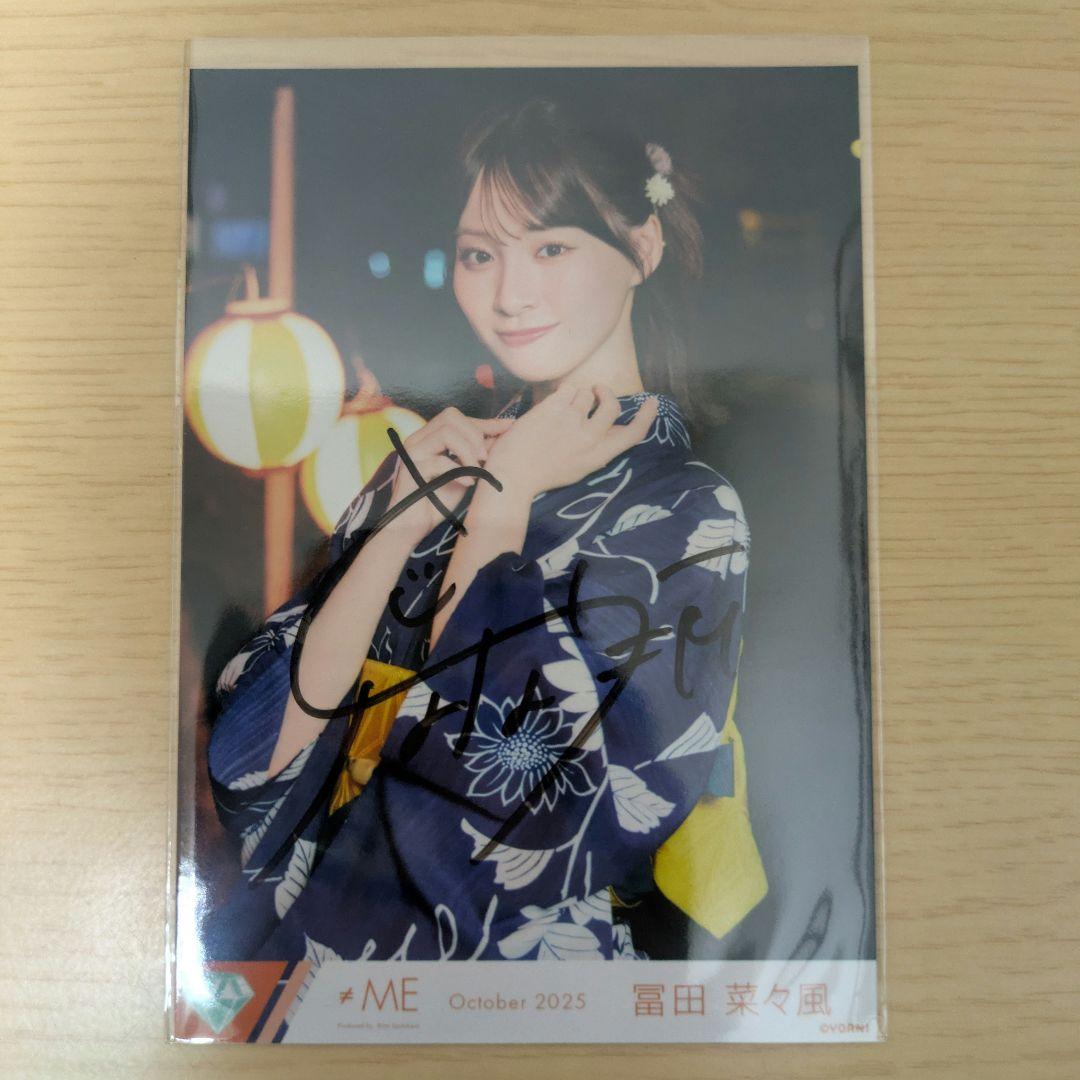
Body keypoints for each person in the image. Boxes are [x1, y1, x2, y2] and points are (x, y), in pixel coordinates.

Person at [204, 97, 760, 964]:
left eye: (551, 247)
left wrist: (500, 508)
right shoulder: (434, 463)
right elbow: (251, 764)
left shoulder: (690, 511)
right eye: (478, 254)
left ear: (642, 248)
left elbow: (507, 820)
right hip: (326, 975)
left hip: (529, 990)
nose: (509, 294)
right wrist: (392, 533)